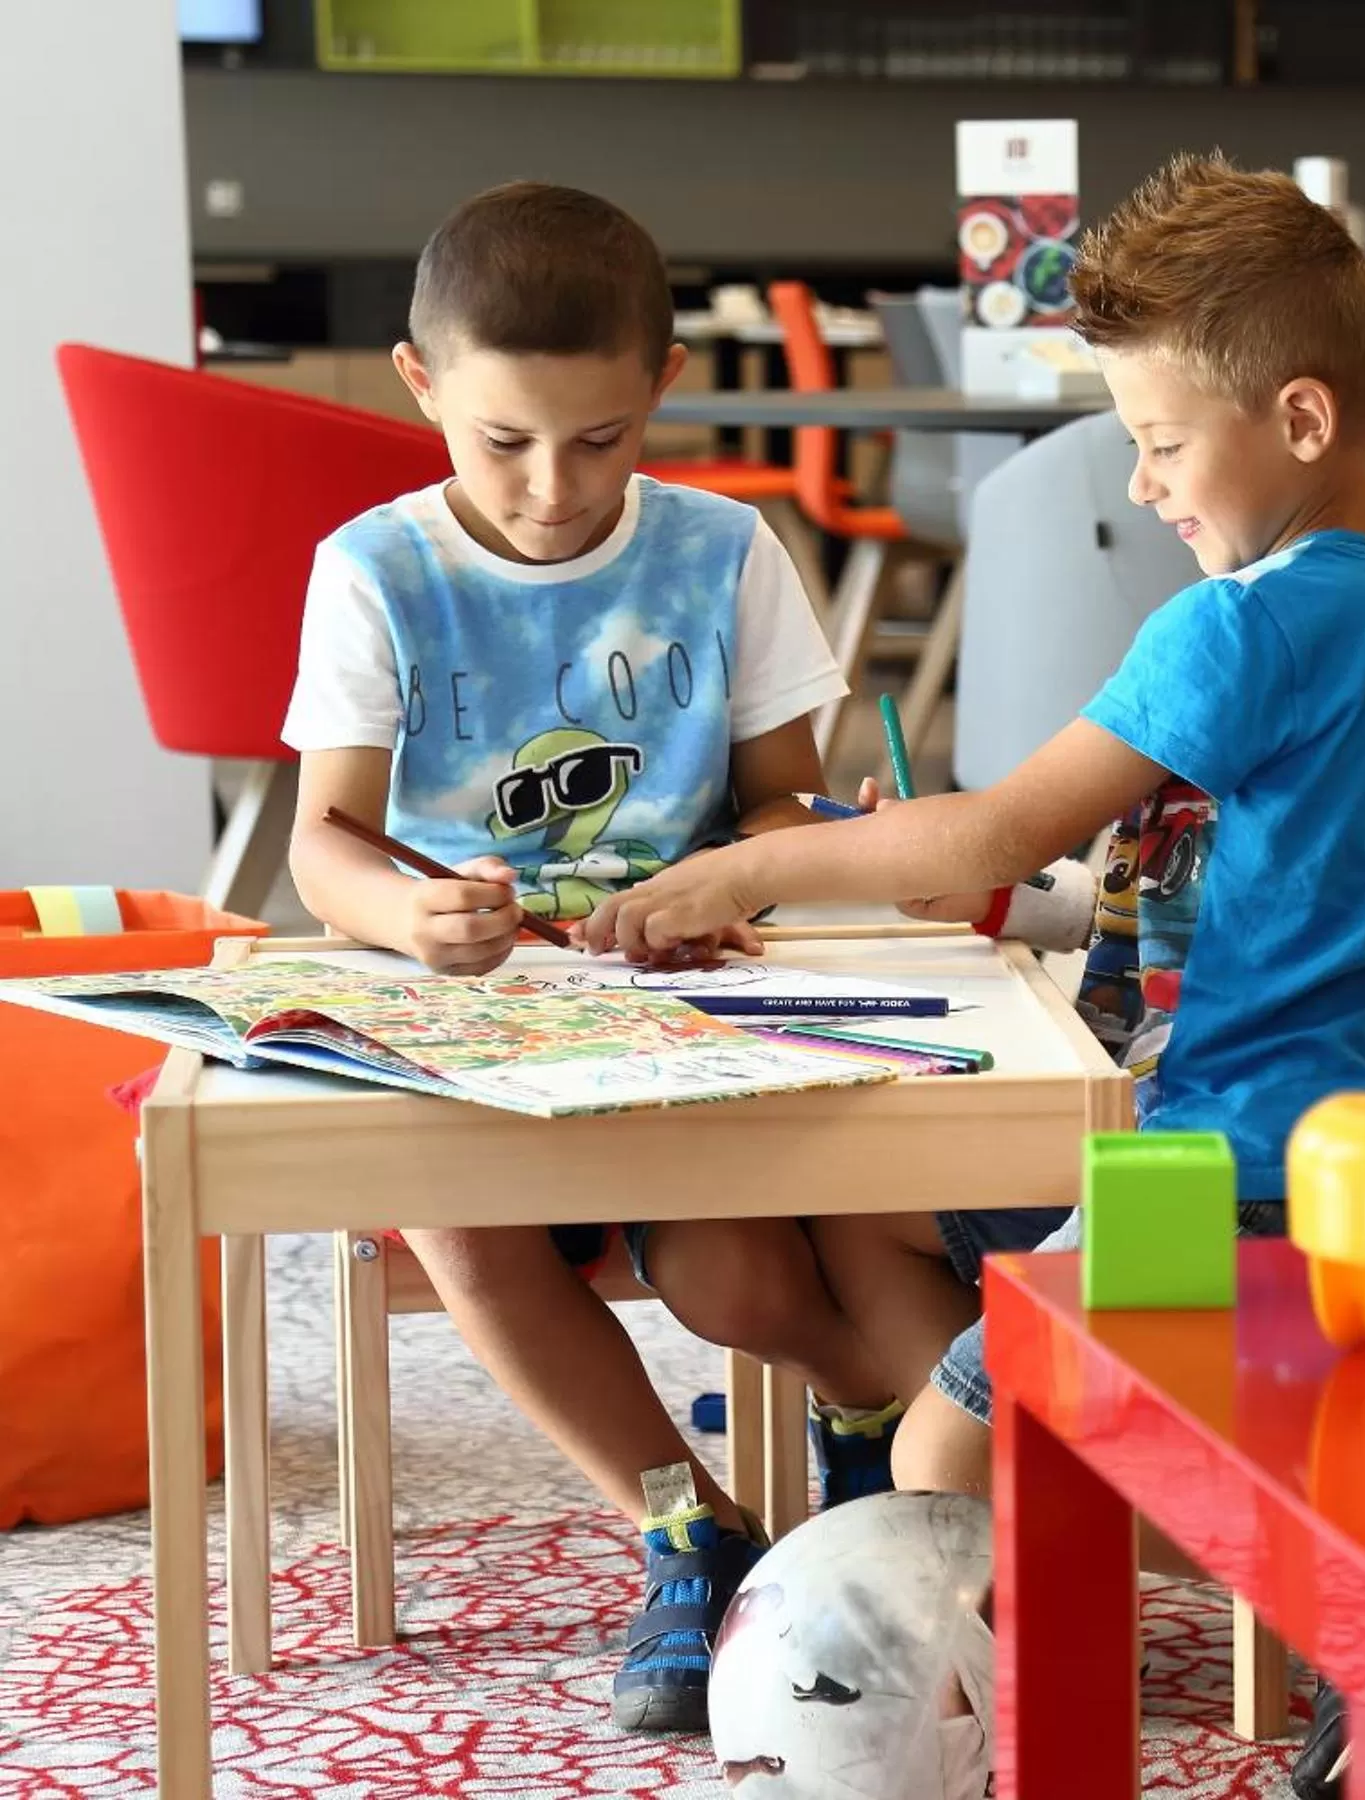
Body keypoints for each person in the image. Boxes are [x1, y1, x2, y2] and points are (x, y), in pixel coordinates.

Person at [583, 151, 1365, 1793]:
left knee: (936, 1442)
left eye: (1160, 444)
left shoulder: (1243, 627)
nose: (1144, 488)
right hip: (1334, 1144)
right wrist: (1031, 898)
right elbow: (1197, 875)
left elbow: (982, 836)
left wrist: (755, 861)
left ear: (1302, 422)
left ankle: (1032, 1688)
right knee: (877, 1214)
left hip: (1220, 1169)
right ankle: (1085, 1554)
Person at [280, 181, 918, 1736]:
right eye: (504, 442)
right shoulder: (375, 570)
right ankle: (684, 1523)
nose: (554, 487)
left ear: (659, 395)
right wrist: (405, 913)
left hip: (683, 1013)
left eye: (601, 440)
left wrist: (735, 870)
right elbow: (326, 842)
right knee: (458, 1212)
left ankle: (873, 1431)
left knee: (740, 1274)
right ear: (421, 386)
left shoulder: (724, 552)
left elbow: (780, 793)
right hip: (479, 1026)